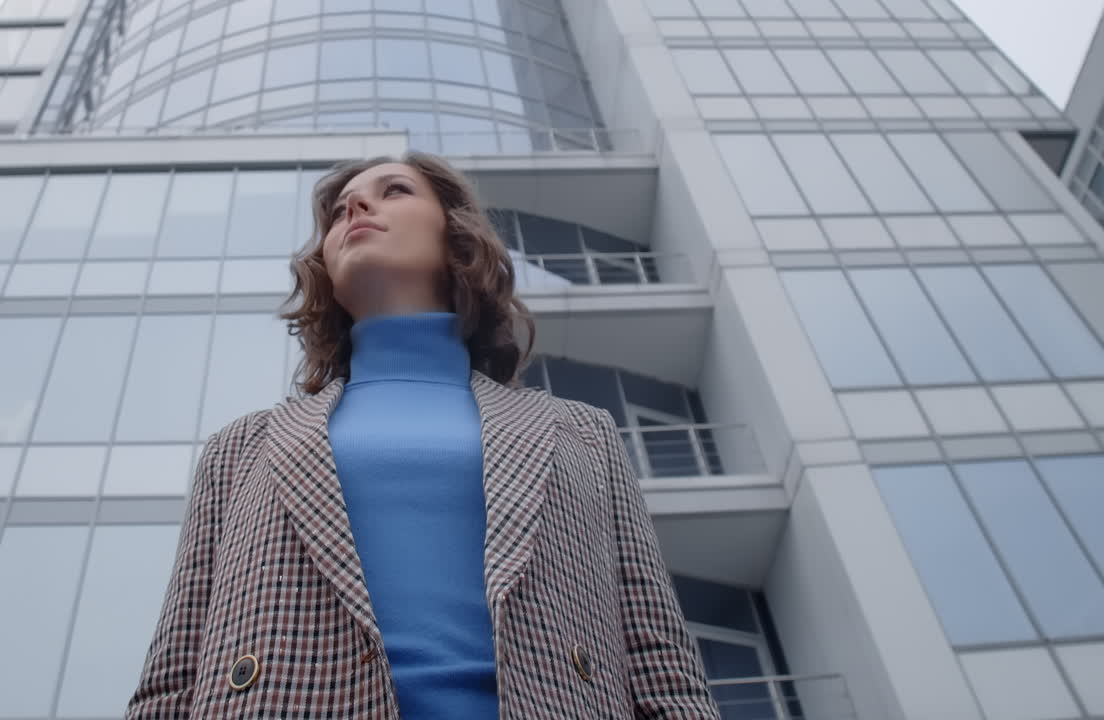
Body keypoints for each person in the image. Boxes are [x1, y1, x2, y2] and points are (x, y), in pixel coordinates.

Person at [126, 152, 720, 719]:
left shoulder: (583, 435)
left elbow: (659, 662)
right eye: (340, 211)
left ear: (456, 237)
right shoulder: (242, 447)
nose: (356, 210)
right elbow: (172, 679)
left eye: (394, 191)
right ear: (326, 269)